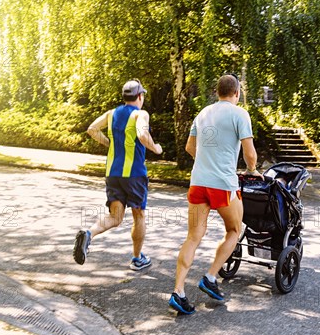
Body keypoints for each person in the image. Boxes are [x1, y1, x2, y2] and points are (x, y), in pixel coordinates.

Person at [169, 74, 262, 314]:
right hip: (223, 184)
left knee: (193, 237)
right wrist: (252, 170)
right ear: (237, 93)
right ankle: (210, 277)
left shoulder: (202, 113)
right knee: (234, 230)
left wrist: (205, 163)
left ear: (217, 91)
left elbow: (191, 147)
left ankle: (178, 291)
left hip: (198, 181)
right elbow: (250, 154)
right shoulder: (240, 114)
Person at [74, 79, 163, 270]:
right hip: (134, 174)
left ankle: (89, 233)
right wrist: (156, 148)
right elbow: (141, 135)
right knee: (138, 215)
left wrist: (109, 143)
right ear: (140, 96)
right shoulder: (141, 113)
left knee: (115, 216)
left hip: (113, 173)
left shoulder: (112, 113)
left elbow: (92, 129)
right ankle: (137, 258)